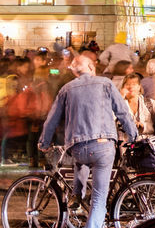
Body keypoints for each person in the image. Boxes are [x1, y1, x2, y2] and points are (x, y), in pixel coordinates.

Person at [38, 55, 137, 228]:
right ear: (91, 67)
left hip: (77, 146)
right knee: (99, 198)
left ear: (75, 72)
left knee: (80, 161)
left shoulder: (66, 89)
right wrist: (134, 136)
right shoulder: (105, 83)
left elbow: (51, 120)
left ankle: (78, 194)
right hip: (103, 145)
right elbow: (122, 112)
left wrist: (44, 144)